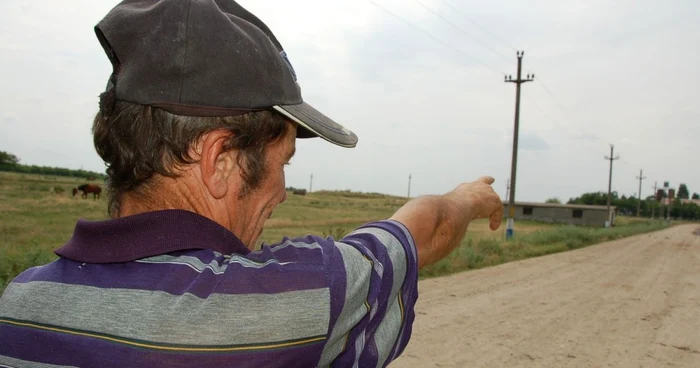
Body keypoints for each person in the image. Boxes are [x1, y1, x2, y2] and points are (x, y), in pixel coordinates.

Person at [0, 1, 503, 367]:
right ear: (219, 161)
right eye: (283, 159)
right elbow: (423, 232)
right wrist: (466, 198)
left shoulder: (19, 305)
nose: (283, 190)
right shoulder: (291, 301)